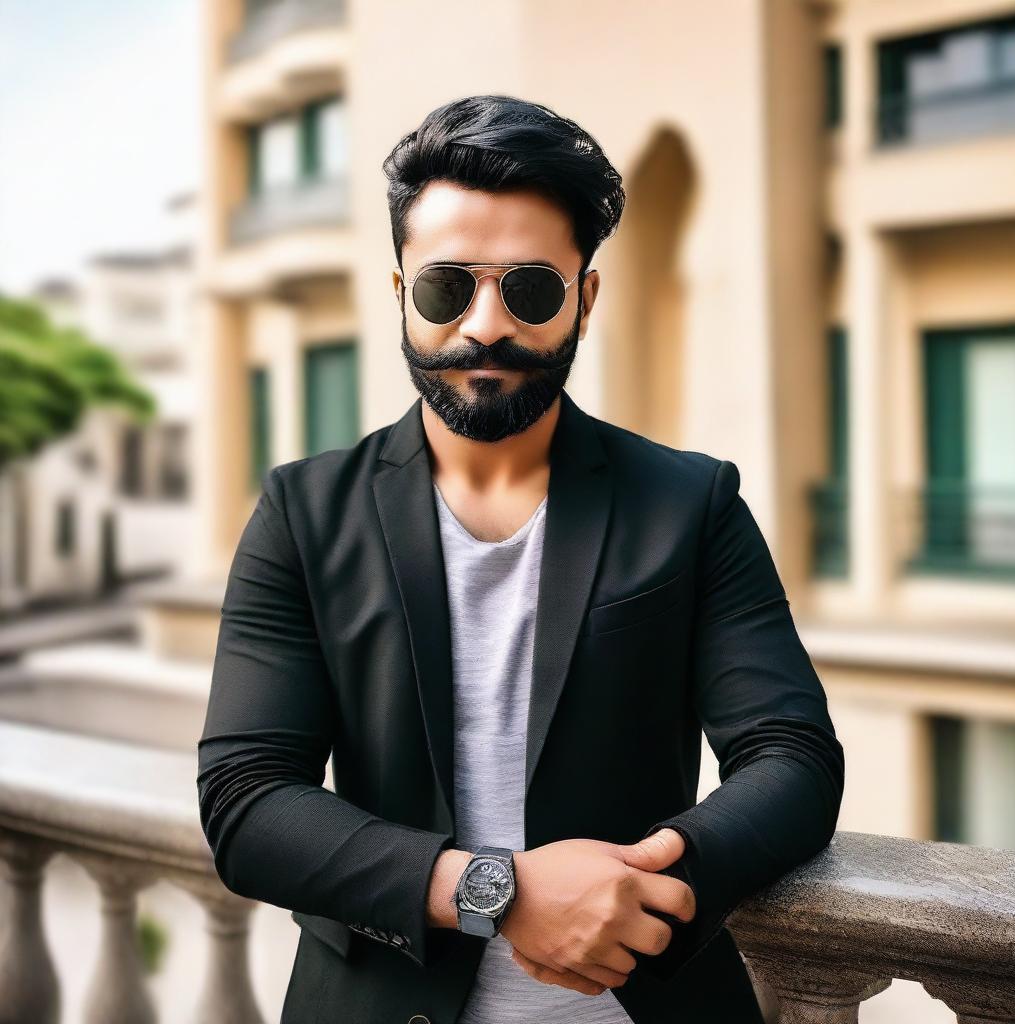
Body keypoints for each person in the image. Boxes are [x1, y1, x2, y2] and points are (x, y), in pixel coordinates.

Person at [197, 94, 845, 1024]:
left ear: (584, 295)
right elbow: (246, 800)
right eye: (447, 286)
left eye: (531, 288)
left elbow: (793, 757)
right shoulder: (303, 514)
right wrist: (492, 891)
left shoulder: (690, 504)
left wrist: (644, 892)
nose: (486, 324)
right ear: (399, 294)